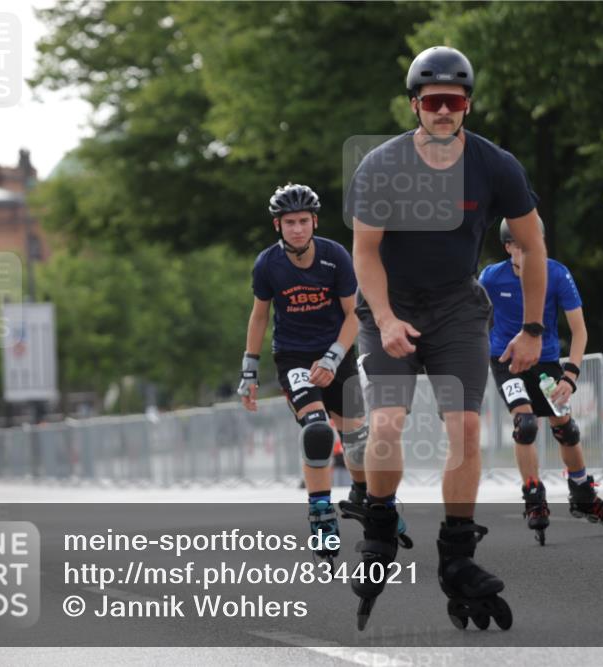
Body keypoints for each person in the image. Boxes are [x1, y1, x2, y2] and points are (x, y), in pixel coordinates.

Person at [345, 45, 548, 631]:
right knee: (387, 423)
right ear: (415, 106)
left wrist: (533, 328)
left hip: (458, 306)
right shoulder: (381, 167)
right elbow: (365, 251)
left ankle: (457, 556)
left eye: (453, 101)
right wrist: (383, 319)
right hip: (391, 305)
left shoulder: (495, 165)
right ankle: (380, 524)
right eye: (432, 101)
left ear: (467, 105)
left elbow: (533, 246)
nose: (443, 111)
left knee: (464, 426)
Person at [238, 183, 369, 570]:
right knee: (316, 430)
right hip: (294, 357)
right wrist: (249, 370)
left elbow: (354, 315)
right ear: (278, 226)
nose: (297, 229)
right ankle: (321, 514)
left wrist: (333, 357)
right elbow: (259, 315)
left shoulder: (335, 257)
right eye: (289, 222)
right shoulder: (267, 265)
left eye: (303, 221)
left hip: (338, 353)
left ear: (314, 221)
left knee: (358, 442)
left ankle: (366, 497)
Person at [480, 219, 603, 545]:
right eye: (520, 245)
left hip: (545, 361)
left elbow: (579, 330)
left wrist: (570, 375)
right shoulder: (492, 277)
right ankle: (534, 495)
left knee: (566, 428)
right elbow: (472, 316)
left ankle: (583, 494)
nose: (529, 250)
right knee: (527, 424)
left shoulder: (557, 273)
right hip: (507, 361)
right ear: (508, 247)